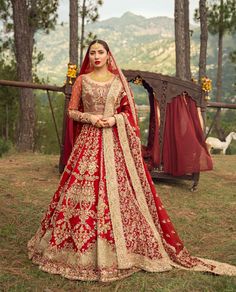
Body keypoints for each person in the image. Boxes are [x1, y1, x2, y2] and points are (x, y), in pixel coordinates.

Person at [28, 39, 236, 281]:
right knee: (80, 192)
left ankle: (119, 246)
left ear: (108, 55)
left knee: (119, 194)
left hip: (114, 143)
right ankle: (76, 245)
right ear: (89, 56)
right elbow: (71, 111)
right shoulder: (82, 81)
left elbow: (129, 113)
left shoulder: (118, 82)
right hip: (88, 141)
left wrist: (114, 120)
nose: (96, 56)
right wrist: (90, 118)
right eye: (92, 52)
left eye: (100, 52)